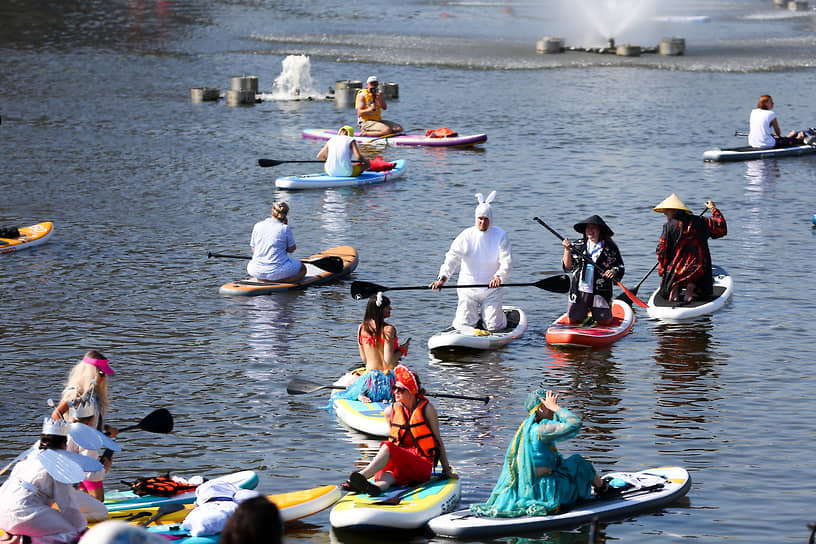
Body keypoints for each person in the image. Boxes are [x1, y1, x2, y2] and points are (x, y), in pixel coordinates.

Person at [470, 389, 609, 518]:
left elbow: (559, 425)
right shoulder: (542, 431)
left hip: (531, 491)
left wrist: (553, 408)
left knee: (568, 464)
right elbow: (574, 423)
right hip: (549, 494)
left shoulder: (527, 429)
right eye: (548, 404)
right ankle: (603, 488)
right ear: (541, 408)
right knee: (578, 461)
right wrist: (556, 408)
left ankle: (598, 485)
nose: (553, 407)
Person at [343, 365, 455, 496]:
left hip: (422, 464)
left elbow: (438, 441)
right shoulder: (390, 412)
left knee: (387, 447)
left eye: (400, 389)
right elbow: (396, 442)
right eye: (394, 388)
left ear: (411, 391)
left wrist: (446, 470)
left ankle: (361, 476)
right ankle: (375, 488)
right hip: (404, 463)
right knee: (386, 476)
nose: (395, 392)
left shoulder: (427, 409)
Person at [429, 191, 513, 332]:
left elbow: (507, 261)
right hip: (467, 288)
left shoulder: (501, 235)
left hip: (491, 289)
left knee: (495, 327)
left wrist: (500, 276)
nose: (483, 222)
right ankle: (476, 321)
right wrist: (442, 278)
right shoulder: (466, 235)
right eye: (480, 219)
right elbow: (452, 258)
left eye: (486, 219)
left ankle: (498, 317)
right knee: (463, 326)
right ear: (475, 218)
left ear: (491, 219)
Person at [0, 418, 88, 544]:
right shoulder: (58, 463)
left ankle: (12, 534)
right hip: (21, 513)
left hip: (2, 511)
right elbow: (67, 503)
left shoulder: (29, 455)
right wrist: (82, 527)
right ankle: (24, 540)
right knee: (71, 533)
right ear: (64, 444)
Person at [50, 350, 118, 503]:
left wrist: (105, 431)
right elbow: (56, 415)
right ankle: (97, 517)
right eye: (101, 373)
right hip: (82, 448)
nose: (104, 377)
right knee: (95, 487)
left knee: (86, 485)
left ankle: (84, 511)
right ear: (91, 374)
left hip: (86, 445)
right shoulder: (78, 395)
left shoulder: (94, 396)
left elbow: (91, 423)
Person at [330, 292, 409, 405]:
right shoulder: (388, 329)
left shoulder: (361, 328)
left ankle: (363, 392)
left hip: (369, 380)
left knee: (353, 381)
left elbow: (364, 359)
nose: (391, 308)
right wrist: (402, 349)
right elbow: (388, 360)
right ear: (379, 310)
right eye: (387, 307)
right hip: (386, 383)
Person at [654, 194, 727, 303]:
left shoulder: (668, 227)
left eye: (666, 210)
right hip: (699, 270)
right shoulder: (701, 221)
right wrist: (713, 208)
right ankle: (690, 287)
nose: (664, 213)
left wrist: (662, 269)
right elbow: (721, 227)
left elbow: (662, 251)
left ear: (673, 210)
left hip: (677, 271)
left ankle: (675, 287)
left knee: (671, 277)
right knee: (694, 272)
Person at [561, 215, 624, 326]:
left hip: (601, 288)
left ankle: (599, 313)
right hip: (580, 287)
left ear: (600, 230)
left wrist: (613, 271)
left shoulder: (610, 247)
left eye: (593, 228)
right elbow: (568, 267)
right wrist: (567, 250)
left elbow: (619, 266)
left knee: (604, 321)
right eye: (587, 228)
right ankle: (586, 312)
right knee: (573, 321)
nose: (590, 231)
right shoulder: (577, 245)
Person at [246, 202, 306, 283]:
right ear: (286, 214)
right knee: (303, 268)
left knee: (258, 268)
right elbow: (292, 249)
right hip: (275, 271)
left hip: (254, 270)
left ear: (272, 212)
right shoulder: (285, 228)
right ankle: (285, 281)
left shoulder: (257, 225)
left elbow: (254, 249)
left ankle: (262, 279)